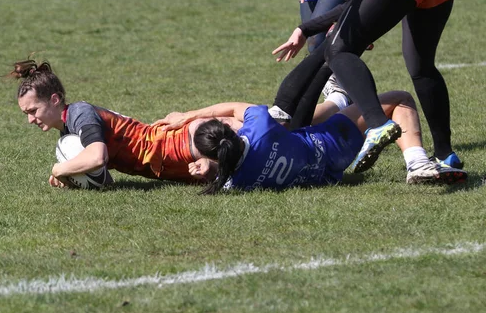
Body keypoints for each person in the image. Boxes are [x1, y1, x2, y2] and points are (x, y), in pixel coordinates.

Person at [272, 0, 463, 172]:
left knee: (337, 51)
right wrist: (305, 29)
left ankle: (378, 123)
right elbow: (351, 5)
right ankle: (446, 155)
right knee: (421, 67)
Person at [154, 91, 467, 194]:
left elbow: (223, 174)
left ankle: (337, 95)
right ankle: (416, 162)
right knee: (399, 100)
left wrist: (210, 169)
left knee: (297, 123)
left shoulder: (236, 183)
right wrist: (190, 115)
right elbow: (236, 109)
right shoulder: (259, 129)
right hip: (332, 143)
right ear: (228, 131)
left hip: (328, 173)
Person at [9, 59, 218, 187]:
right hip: (167, 161)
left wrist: (60, 169)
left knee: (243, 157)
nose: (30, 120)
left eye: (33, 111)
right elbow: (105, 181)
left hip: (175, 145)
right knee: (229, 178)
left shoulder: (79, 114)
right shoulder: (68, 133)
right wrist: (72, 178)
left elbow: (98, 157)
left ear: (54, 100)